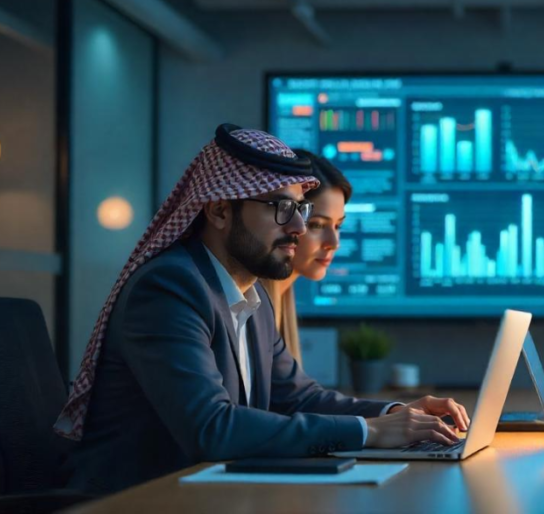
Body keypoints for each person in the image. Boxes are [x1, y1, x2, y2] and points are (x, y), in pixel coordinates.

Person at [55, 124, 469, 494]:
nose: (298, 228)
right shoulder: (169, 288)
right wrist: (370, 431)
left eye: (300, 209)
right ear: (219, 210)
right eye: (280, 208)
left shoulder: (249, 295)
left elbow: (300, 398)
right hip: (136, 502)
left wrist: (398, 414)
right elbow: (212, 428)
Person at [259, 150, 350, 368]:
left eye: (338, 226)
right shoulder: (247, 309)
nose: (334, 243)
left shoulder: (279, 305)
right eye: (317, 224)